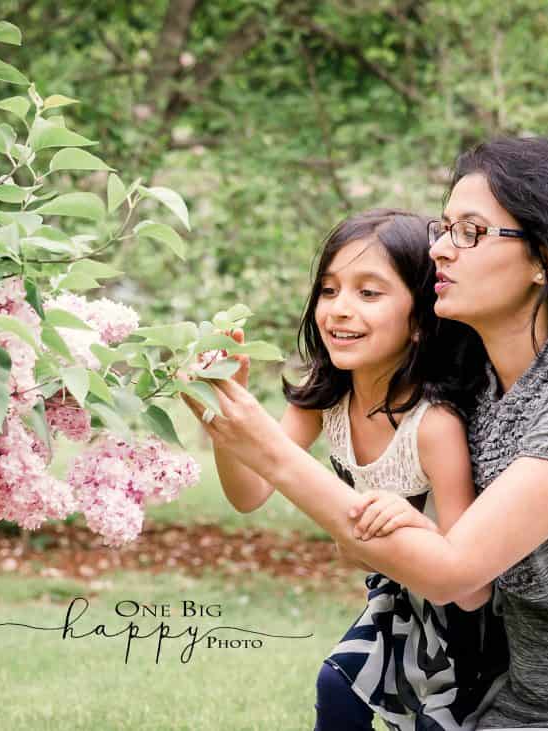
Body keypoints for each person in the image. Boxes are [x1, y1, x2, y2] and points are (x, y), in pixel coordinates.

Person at [183, 137, 548, 730]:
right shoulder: (472, 387)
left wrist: (263, 444)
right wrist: (223, 405)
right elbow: (424, 549)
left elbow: (455, 570)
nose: (440, 249)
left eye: (469, 232)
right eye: (444, 228)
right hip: (521, 710)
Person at [208, 208, 507, 730]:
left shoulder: (433, 424)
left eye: (369, 293)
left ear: (419, 321)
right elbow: (249, 492)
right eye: (329, 290)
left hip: (465, 628)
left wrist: (415, 522)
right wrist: (224, 418)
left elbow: (470, 583)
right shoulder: (323, 399)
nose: (339, 310)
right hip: (395, 597)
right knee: (338, 683)